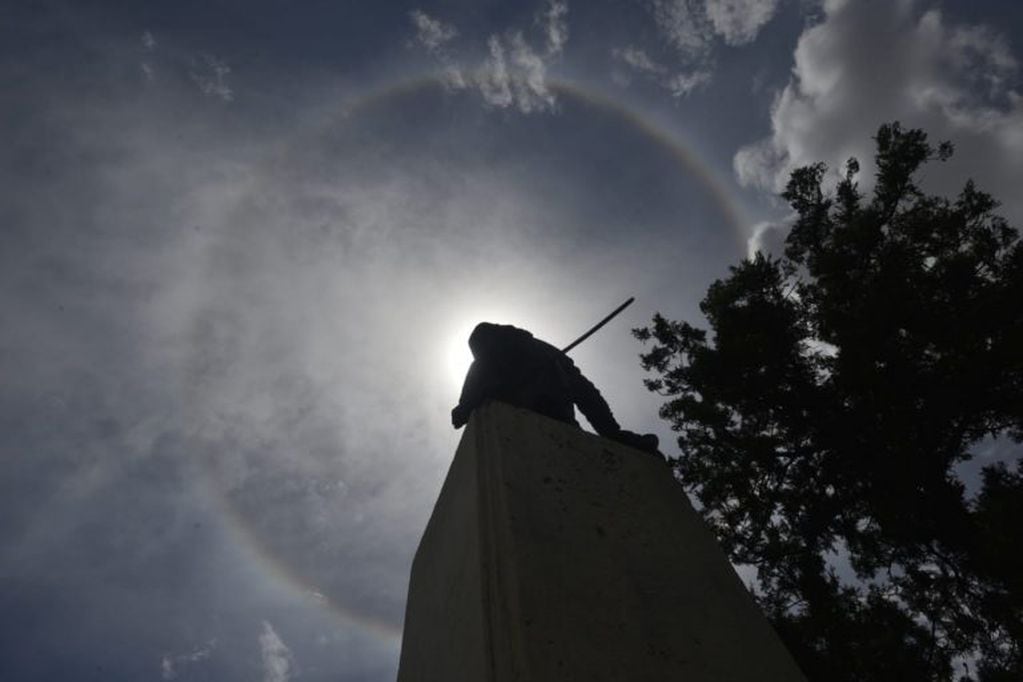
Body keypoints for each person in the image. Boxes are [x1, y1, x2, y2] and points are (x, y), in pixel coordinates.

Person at [451, 322, 660, 455]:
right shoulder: (483, 364)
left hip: (561, 425)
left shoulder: (541, 351)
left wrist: (612, 433)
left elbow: (585, 392)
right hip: (520, 433)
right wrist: (491, 391)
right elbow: (459, 415)